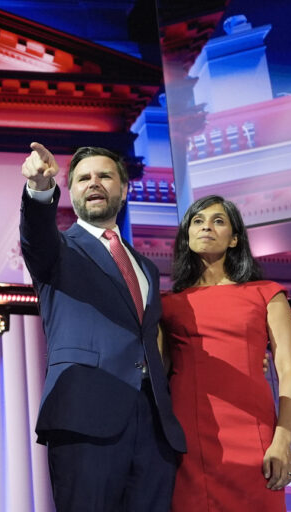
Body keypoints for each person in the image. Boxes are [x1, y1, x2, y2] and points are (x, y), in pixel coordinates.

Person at [19, 142, 185, 511]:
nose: (94, 183)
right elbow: (36, 234)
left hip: (154, 426)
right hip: (85, 418)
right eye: (83, 178)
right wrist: (40, 189)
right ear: (72, 190)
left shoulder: (147, 268)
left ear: (124, 189)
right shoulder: (59, 251)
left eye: (104, 176)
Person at [160, 195, 291, 511]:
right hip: (189, 440)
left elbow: (289, 371)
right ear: (186, 236)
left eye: (218, 221)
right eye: (197, 221)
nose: (206, 226)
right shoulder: (167, 304)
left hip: (255, 437)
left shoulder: (267, 294)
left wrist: (282, 439)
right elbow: (159, 369)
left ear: (235, 238)